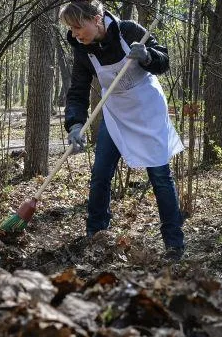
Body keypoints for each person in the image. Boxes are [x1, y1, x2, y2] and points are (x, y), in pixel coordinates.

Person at [59, 0, 185, 261]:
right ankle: (96, 236)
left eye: (76, 27)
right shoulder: (82, 50)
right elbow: (78, 90)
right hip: (116, 114)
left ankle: (174, 245)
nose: (73, 34)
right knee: (100, 174)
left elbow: (164, 61)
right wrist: (74, 123)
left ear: (96, 19)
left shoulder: (129, 30)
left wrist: (148, 56)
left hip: (148, 112)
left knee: (160, 176)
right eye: (70, 29)